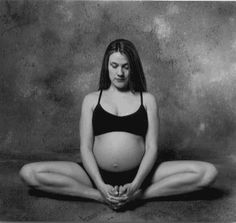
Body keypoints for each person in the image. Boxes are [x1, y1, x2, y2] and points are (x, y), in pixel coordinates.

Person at [19, 39, 218, 210]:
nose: (120, 72)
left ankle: (139, 197)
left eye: (125, 66)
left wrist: (135, 187)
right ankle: (98, 196)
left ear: (133, 68)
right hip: (94, 175)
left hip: (141, 175)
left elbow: (152, 148)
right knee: (28, 173)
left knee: (208, 173)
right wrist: (99, 187)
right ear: (107, 66)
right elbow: (85, 148)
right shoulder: (91, 100)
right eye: (114, 66)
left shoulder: (147, 100)